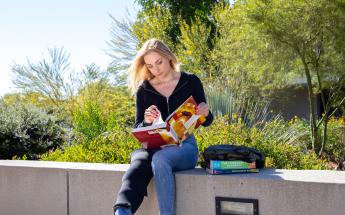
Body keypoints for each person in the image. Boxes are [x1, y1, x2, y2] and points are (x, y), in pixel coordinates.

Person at [113, 38, 213, 215]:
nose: (156, 69)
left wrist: (205, 112)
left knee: (159, 159)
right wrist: (147, 120)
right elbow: (138, 126)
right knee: (143, 161)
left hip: (185, 148)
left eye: (158, 62)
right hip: (155, 148)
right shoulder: (144, 90)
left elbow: (208, 120)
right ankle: (122, 210)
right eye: (150, 65)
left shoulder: (191, 81)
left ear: (168, 57)